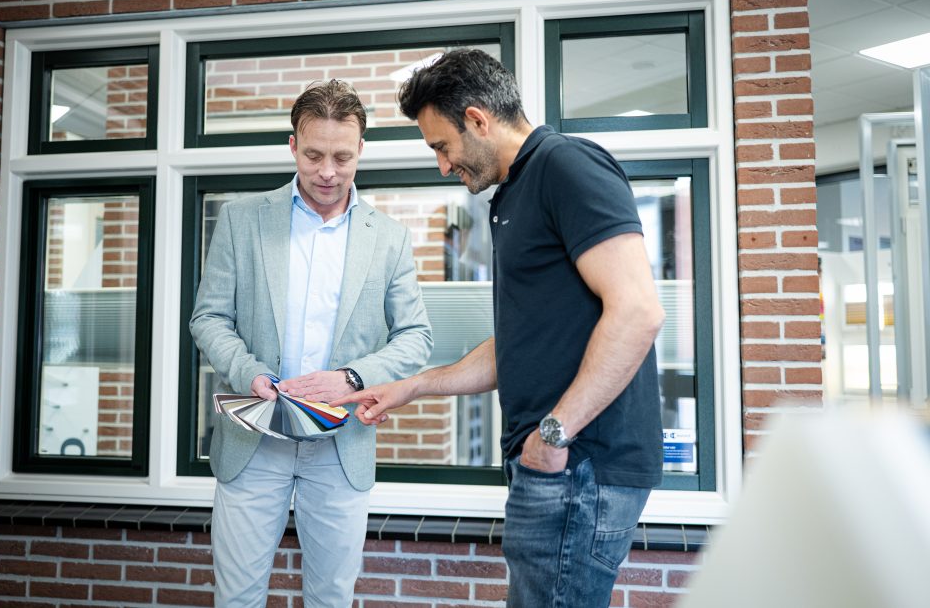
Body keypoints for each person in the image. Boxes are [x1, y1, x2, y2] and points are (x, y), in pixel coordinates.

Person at [334, 49, 666, 608]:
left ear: (478, 119)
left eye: (442, 145)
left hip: (578, 469)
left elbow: (638, 312)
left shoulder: (566, 165)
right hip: (555, 470)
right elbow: (521, 343)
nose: (442, 164)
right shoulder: (513, 194)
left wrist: (552, 436)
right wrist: (412, 386)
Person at [190, 79, 433, 608]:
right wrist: (248, 372)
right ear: (293, 146)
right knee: (237, 598)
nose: (328, 171)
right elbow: (209, 318)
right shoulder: (240, 220)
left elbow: (416, 336)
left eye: (342, 157)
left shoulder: (389, 237)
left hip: (340, 446)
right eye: (315, 154)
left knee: (331, 598)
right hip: (254, 441)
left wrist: (351, 378)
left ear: (361, 149)